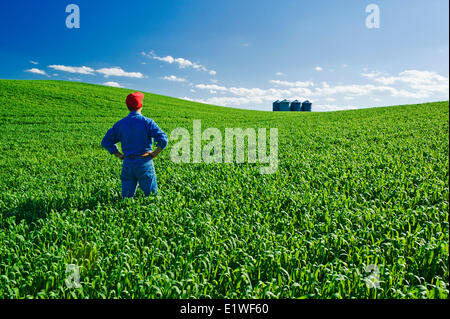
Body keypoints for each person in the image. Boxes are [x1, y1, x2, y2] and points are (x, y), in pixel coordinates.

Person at [101, 92, 168, 198]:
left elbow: (105, 142)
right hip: (144, 161)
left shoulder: (120, 124)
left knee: (126, 198)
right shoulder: (147, 122)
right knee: (152, 197)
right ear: (141, 105)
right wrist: (154, 153)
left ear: (128, 107)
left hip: (128, 163)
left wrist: (119, 154)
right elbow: (163, 139)